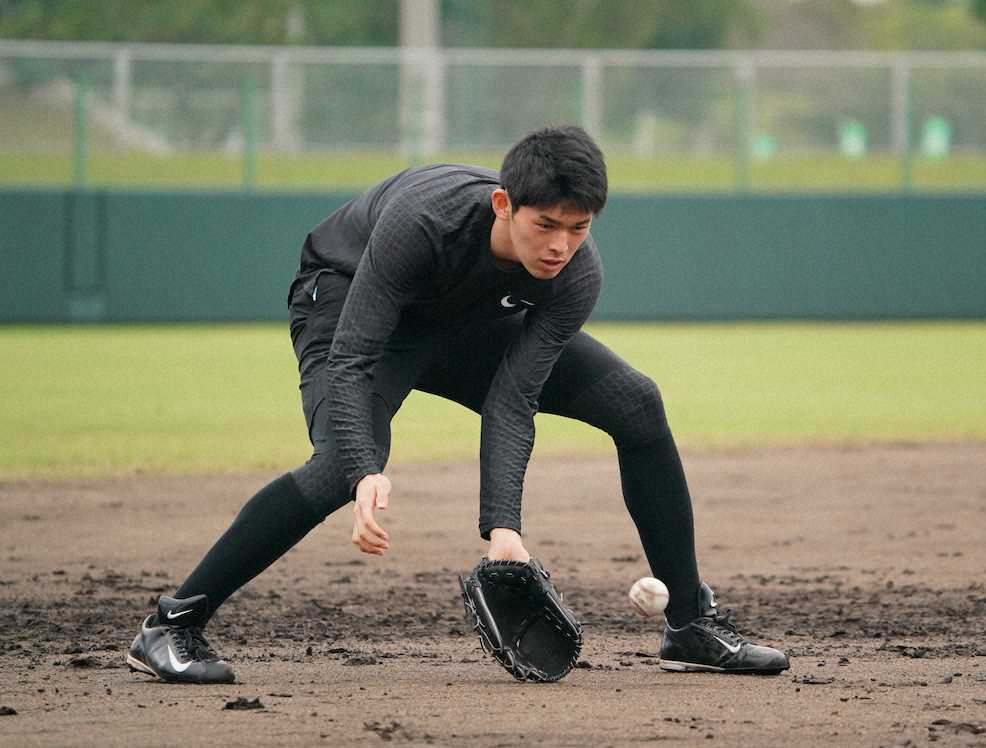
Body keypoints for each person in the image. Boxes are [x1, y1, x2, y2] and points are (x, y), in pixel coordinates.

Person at [126, 125, 789, 684]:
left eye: (579, 228)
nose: (560, 245)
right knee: (337, 468)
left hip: (463, 319)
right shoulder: (425, 220)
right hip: (348, 301)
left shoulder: (574, 274)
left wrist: (504, 530)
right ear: (503, 204)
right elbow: (355, 359)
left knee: (636, 403)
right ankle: (171, 625)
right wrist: (362, 468)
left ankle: (690, 625)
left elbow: (513, 398)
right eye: (546, 225)